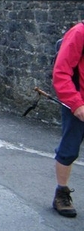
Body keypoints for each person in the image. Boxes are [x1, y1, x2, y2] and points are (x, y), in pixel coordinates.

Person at [51, 21, 84, 217]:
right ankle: (61, 193)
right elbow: (61, 71)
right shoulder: (79, 32)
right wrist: (76, 104)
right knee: (69, 150)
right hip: (78, 102)